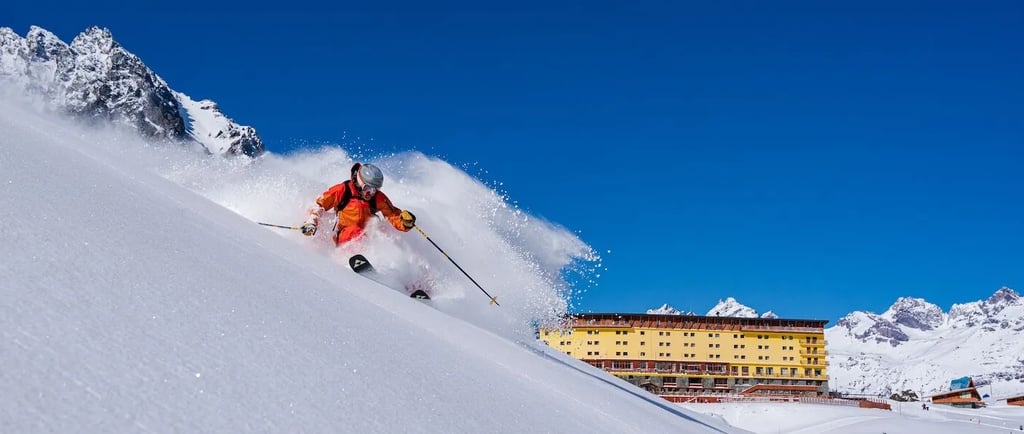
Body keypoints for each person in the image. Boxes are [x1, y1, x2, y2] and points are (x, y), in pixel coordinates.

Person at [301, 162, 416, 245]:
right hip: (344, 236)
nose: (370, 193)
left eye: (375, 189)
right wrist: (312, 221)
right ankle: (356, 259)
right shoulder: (343, 190)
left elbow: (392, 215)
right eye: (368, 188)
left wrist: (405, 222)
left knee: (385, 235)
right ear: (360, 182)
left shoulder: (377, 198)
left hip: (367, 237)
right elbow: (319, 205)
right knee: (355, 231)